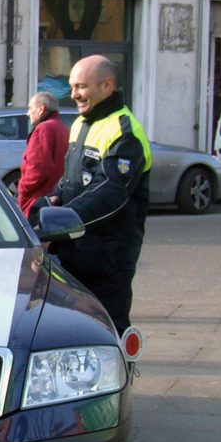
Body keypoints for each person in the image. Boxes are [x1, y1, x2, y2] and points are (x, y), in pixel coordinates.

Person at [31, 55, 151, 336]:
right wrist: (47, 204)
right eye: (72, 87)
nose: (73, 95)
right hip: (74, 251)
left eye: (81, 87)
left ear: (107, 85)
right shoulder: (82, 124)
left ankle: (122, 377)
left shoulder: (125, 131)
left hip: (109, 256)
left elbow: (111, 191)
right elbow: (71, 181)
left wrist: (63, 220)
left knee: (108, 330)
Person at [17, 91, 70, 219]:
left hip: (38, 201)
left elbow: (38, 169)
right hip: (54, 200)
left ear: (41, 109)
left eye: (30, 108)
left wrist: (22, 190)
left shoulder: (43, 129)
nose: (28, 113)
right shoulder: (63, 128)